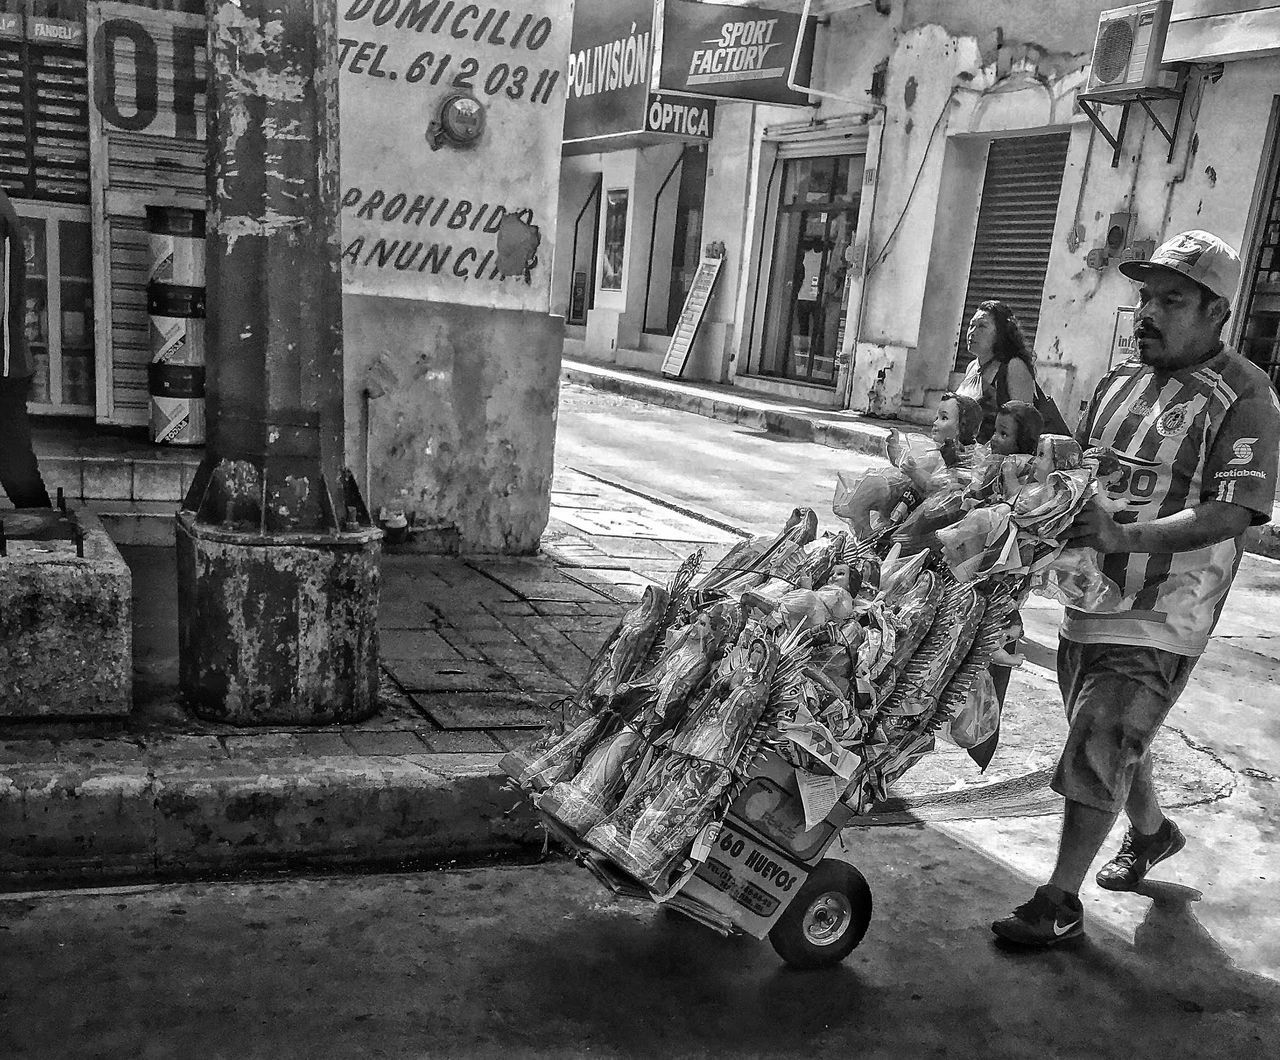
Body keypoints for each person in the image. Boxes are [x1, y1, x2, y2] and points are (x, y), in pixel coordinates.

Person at [991, 230, 1280, 948]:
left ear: (1216, 311)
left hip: (1165, 609)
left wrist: (1127, 540)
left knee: (1101, 735)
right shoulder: (1120, 379)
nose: (1149, 312)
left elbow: (1233, 512)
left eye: (1172, 299)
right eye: (1146, 297)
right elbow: (1082, 476)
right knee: (1113, 736)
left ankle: (1058, 902)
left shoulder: (1246, 396)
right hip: (1090, 599)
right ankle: (1152, 834)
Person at [0, 184, 51, 509]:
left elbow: (3, 304)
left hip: (3, 366)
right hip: (7, 365)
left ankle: (47, 542)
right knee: (15, 462)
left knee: (15, 464)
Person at [955, 300, 1037, 444]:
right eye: (971, 325)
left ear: (1000, 333)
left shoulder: (1013, 367)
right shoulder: (971, 367)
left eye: (982, 326)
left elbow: (1026, 426)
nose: (972, 332)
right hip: (963, 455)